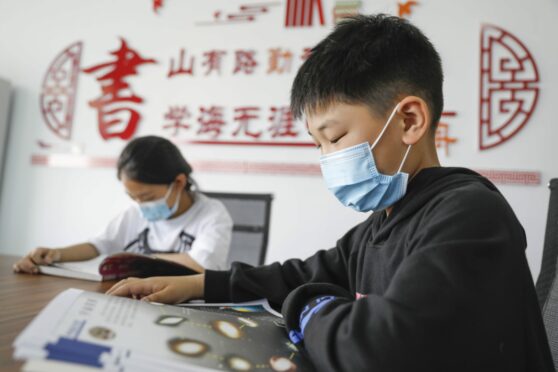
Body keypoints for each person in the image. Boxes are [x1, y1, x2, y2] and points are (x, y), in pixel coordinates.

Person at [105, 15, 554, 371]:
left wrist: (308, 304)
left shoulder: (469, 214)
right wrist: (200, 285)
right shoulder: (382, 223)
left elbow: (379, 349)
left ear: (410, 121)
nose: (326, 159)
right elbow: (302, 274)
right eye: (318, 145)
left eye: (334, 138)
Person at [13, 136, 233, 274]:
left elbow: (203, 264)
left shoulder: (212, 214)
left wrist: (134, 261)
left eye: (147, 197)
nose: (140, 205)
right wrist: (56, 254)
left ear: (178, 183)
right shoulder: (135, 214)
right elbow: (98, 246)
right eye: (132, 197)